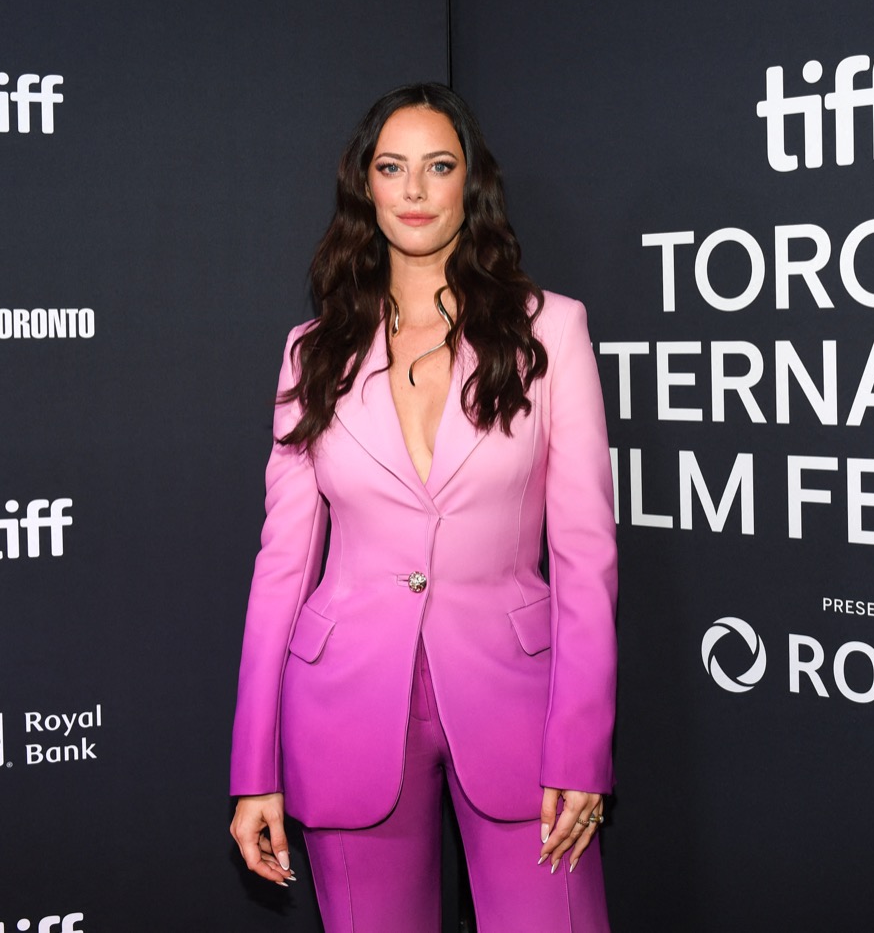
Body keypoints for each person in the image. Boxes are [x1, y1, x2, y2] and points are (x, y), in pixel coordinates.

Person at [228, 83, 617, 931]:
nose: (413, 190)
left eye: (437, 168)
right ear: (364, 186)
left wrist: (582, 747)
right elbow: (283, 564)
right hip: (345, 705)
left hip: (519, 703)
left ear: (468, 186)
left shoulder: (549, 331)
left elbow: (587, 553)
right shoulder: (313, 351)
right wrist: (254, 765)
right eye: (391, 168)